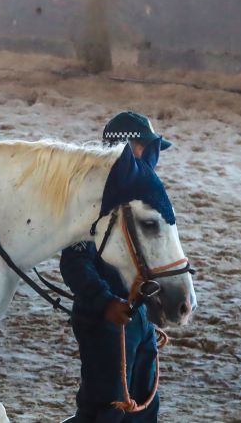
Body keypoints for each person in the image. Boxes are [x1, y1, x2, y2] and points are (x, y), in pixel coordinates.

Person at [60, 111, 172, 423]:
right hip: (105, 319)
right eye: (147, 148)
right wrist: (105, 301)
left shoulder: (138, 198)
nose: (151, 157)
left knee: (144, 408)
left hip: (137, 317)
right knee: (105, 410)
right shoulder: (93, 197)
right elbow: (74, 262)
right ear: (130, 148)